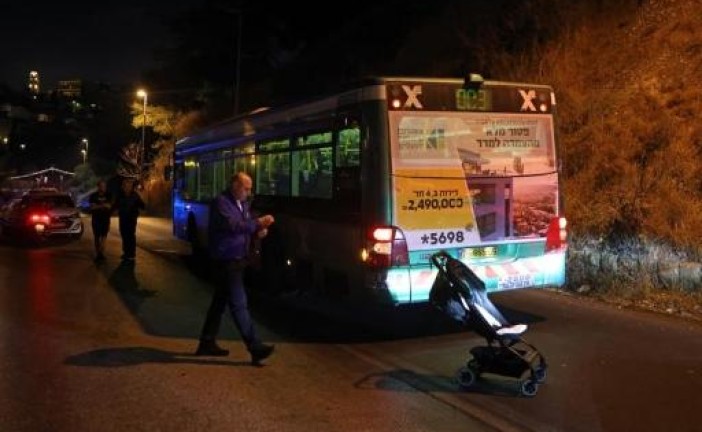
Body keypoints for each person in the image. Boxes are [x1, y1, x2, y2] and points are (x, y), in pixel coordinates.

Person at [195, 172, 276, 366]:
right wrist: (257, 223)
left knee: (219, 303)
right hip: (226, 260)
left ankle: (207, 341)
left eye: (249, 189)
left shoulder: (243, 204)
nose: (249, 193)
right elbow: (234, 226)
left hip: (237, 259)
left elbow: (245, 227)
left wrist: (257, 232)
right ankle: (255, 347)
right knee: (239, 304)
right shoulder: (221, 203)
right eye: (246, 188)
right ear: (234, 185)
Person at [113, 178, 145, 261]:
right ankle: (126, 252)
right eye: (124, 185)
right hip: (123, 217)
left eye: (127, 185)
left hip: (131, 218)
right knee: (123, 234)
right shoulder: (120, 195)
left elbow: (143, 206)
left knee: (130, 234)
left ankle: (131, 253)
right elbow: (115, 205)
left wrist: (140, 201)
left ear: (130, 186)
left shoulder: (135, 195)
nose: (125, 186)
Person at [88, 179, 113, 262]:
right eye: (101, 186)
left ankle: (101, 253)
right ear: (98, 187)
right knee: (96, 237)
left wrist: (98, 206)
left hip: (105, 219)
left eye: (104, 186)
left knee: (104, 237)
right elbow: (92, 207)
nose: (103, 188)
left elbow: (109, 206)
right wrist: (103, 205)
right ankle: (98, 253)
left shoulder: (109, 195)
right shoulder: (93, 196)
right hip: (96, 220)